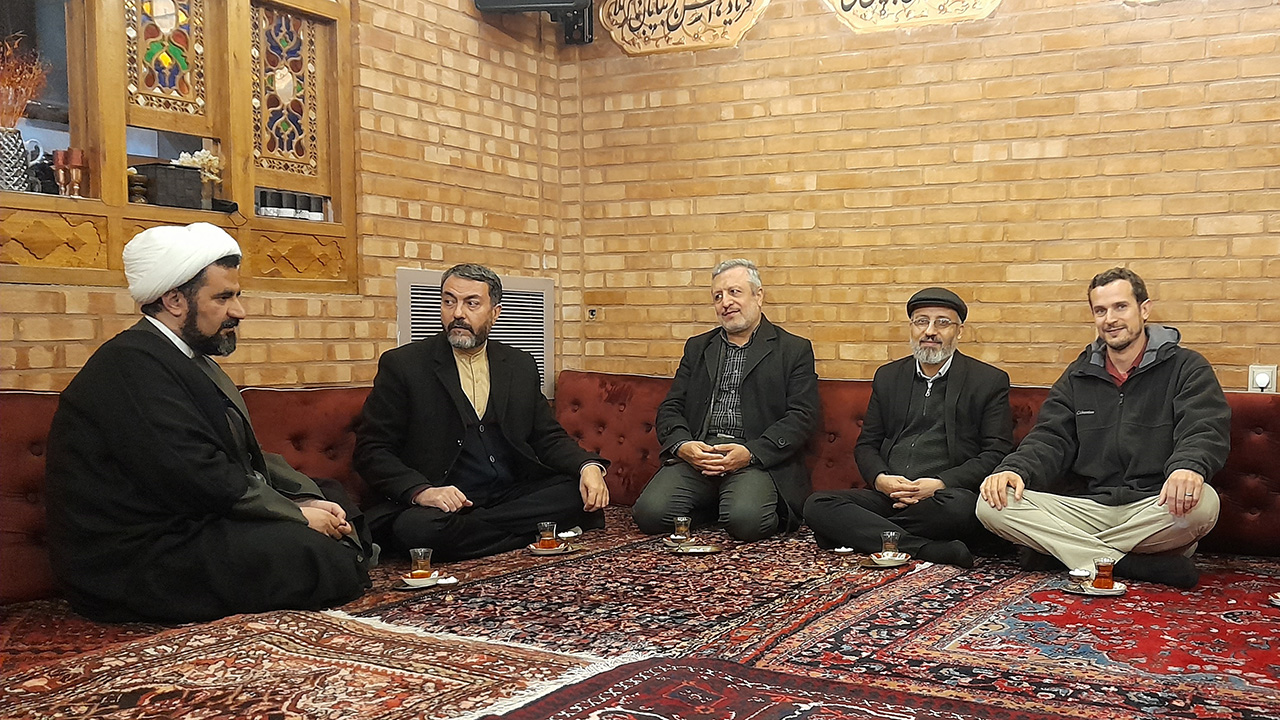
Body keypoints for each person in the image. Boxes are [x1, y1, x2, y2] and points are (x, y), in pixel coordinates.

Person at [45, 223, 371, 623]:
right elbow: (198, 475)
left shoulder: (185, 359)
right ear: (174, 300)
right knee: (308, 553)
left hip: (193, 518)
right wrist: (296, 514)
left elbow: (243, 456)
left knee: (331, 497)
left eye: (237, 296)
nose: (239, 311)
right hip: (136, 555)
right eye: (223, 297)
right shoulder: (130, 366)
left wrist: (304, 500)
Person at [977, 267, 1230, 588]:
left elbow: (1204, 427)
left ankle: (1063, 552)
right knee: (991, 505)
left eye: (1120, 307)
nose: (1110, 319)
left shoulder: (1187, 367)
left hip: (1155, 506)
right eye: (1100, 310)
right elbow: (1049, 438)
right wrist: (1015, 469)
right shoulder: (1078, 375)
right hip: (1089, 507)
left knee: (1204, 504)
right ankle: (1131, 564)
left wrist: (1188, 467)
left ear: (1144, 309)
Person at [355, 263, 609, 561]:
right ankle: (537, 532)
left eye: (471, 303)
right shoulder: (404, 365)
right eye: (449, 301)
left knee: (576, 493)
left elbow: (546, 436)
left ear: (494, 312)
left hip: (509, 492)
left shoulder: (519, 365)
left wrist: (587, 466)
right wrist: (422, 491)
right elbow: (372, 450)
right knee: (417, 529)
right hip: (446, 497)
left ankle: (477, 535)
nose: (457, 313)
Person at [804, 288, 1012, 568]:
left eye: (942, 323)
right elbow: (867, 444)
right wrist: (881, 479)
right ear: (911, 328)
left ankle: (863, 533)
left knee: (961, 509)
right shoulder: (889, 376)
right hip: (889, 494)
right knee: (817, 505)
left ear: (959, 331)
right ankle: (926, 548)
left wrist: (939, 483)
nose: (930, 331)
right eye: (921, 321)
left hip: (942, 498)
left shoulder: (987, 381)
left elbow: (995, 452)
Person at [631, 259, 820, 542]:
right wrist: (683, 446)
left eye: (734, 292)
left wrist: (751, 453)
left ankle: (728, 504)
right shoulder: (698, 347)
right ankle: (714, 506)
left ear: (758, 295)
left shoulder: (793, 349)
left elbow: (802, 416)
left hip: (754, 457)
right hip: (701, 453)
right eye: (718, 296)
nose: (725, 303)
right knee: (650, 515)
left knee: (746, 522)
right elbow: (671, 407)